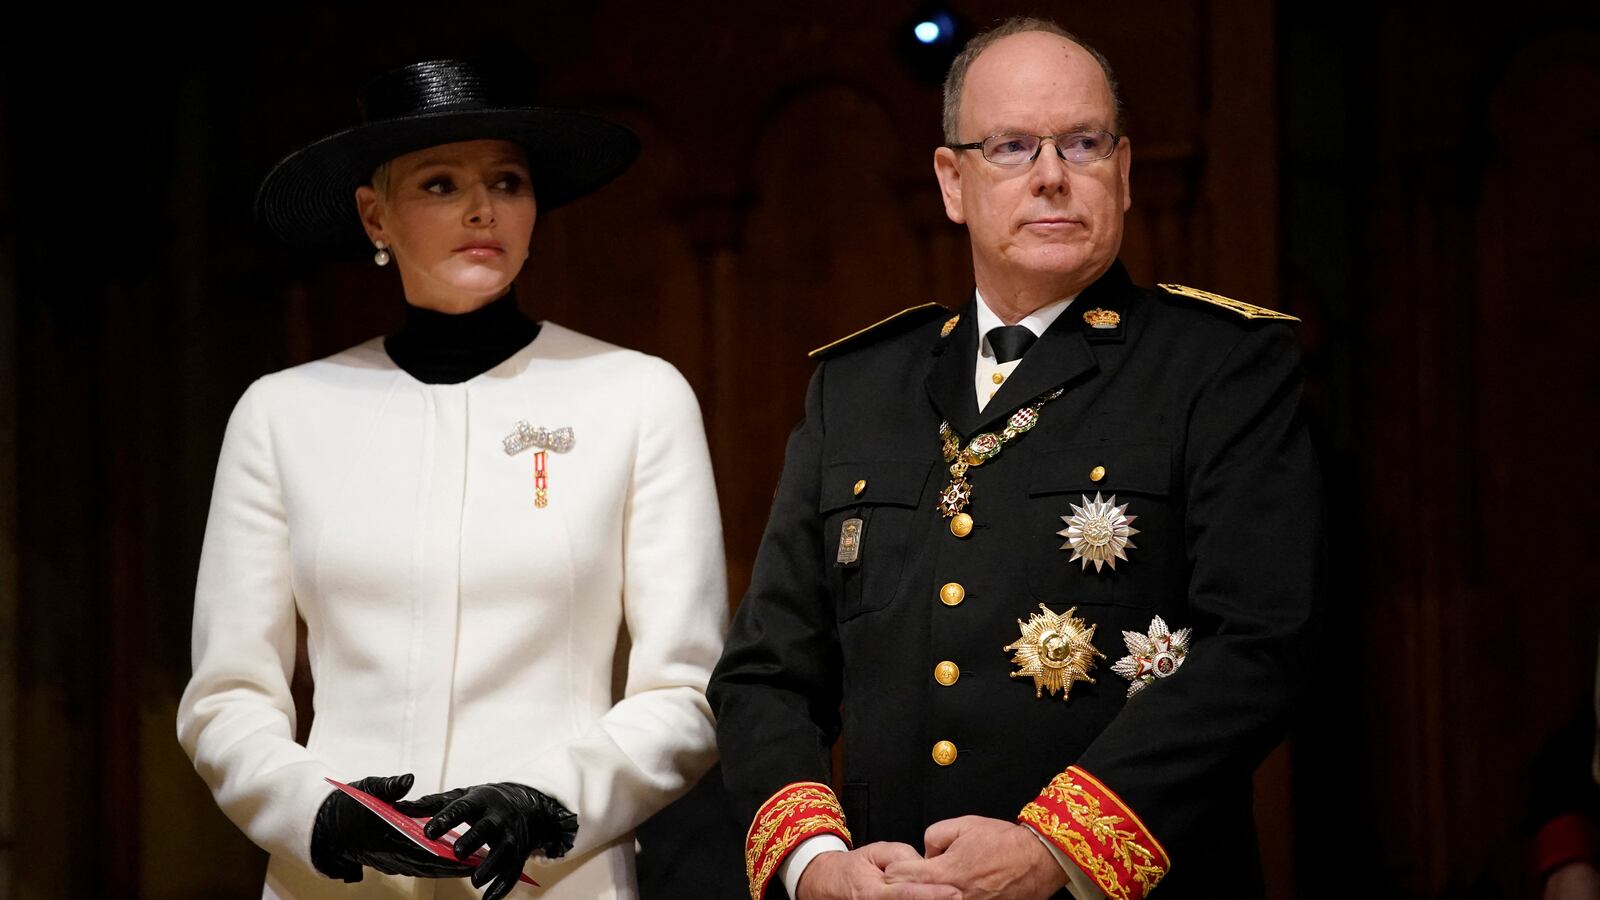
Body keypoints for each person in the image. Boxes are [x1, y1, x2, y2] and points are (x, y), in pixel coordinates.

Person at [709, 17, 1323, 900]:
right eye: (1011, 147)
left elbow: (1260, 645)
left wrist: (1054, 849)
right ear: (951, 181)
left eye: (1083, 143)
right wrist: (816, 865)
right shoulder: (859, 387)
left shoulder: (1218, 366)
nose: (1051, 175)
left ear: (1124, 172)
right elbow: (767, 672)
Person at [177, 59, 728, 899]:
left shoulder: (638, 396)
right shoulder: (282, 413)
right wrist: (315, 812)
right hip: (340, 885)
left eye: (507, 182)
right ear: (375, 215)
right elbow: (227, 694)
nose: (482, 210)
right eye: (440, 184)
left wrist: (550, 802)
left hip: (553, 878)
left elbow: (685, 689)